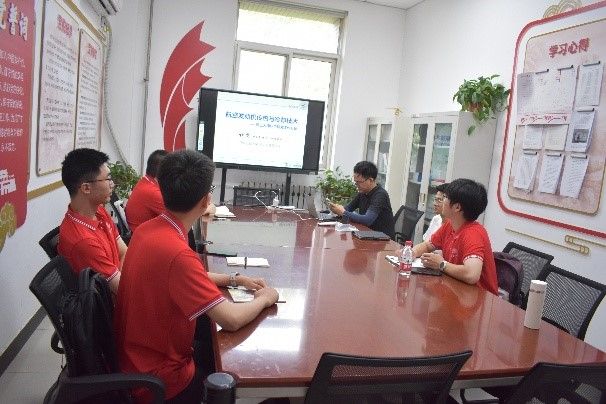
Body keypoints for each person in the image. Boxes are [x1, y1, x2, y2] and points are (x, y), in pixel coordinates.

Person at [115, 150, 278, 403]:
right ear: (206, 200)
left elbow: (185, 275)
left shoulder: (147, 231)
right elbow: (231, 319)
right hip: (162, 381)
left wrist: (234, 279)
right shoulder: (177, 254)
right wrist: (265, 298)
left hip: (135, 361)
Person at [410, 178, 498, 295]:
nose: (442, 201)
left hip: (478, 298)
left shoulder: (474, 233)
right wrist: (411, 253)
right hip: (456, 290)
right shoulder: (450, 224)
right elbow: (427, 245)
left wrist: (441, 264)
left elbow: (472, 274)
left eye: (445, 197)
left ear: (457, 207)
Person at [57, 148, 126, 294]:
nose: (112, 184)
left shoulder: (99, 210)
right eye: (107, 179)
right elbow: (122, 290)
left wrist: (120, 271)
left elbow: (124, 252)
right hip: (111, 303)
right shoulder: (84, 241)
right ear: (86, 188)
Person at [126, 149, 216, 233]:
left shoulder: (146, 182)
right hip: (150, 237)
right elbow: (187, 212)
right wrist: (208, 206)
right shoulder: (152, 192)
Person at [328, 161, 395, 239]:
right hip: (366, 234)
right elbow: (348, 208)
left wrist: (343, 212)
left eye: (359, 182)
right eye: (355, 182)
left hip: (383, 240)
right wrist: (336, 209)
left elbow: (367, 220)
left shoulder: (380, 195)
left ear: (370, 180)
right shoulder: (363, 192)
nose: (357, 185)